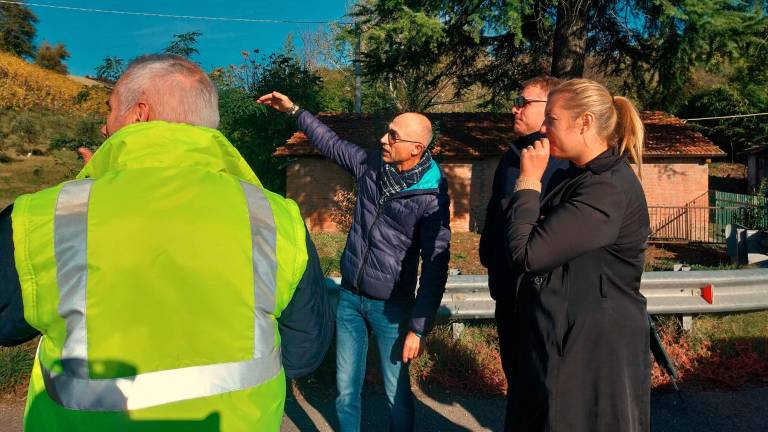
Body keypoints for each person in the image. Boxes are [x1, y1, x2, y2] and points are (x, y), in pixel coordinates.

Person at [0, 54, 333, 432]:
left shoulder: (47, 214)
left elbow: (6, 325)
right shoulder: (276, 217)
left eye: (110, 110)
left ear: (139, 114)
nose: (104, 126)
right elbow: (306, 349)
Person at [257, 91, 451, 432]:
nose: (383, 139)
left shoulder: (430, 197)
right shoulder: (371, 166)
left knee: (396, 395)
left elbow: (436, 265)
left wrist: (418, 328)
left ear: (416, 149)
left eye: (393, 135)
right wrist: (295, 111)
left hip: (392, 310)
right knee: (346, 392)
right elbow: (330, 143)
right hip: (349, 298)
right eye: (386, 131)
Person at [502, 78, 650, 431]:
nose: (543, 127)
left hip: (592, 349)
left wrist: (528, 181)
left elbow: (526, 253)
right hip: (560, 334)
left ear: (584, 122)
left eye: (551, 119)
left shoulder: (607, 187)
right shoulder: (575, 176)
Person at [478, 76, 567, 420]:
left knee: (543, 395)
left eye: (523, 101)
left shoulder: (562, 162)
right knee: (517, 388)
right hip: (507, 294)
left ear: (551, 108)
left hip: (540, 300)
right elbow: (498, 211)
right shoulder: (513, 155)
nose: (514, 107)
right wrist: (489, 255)